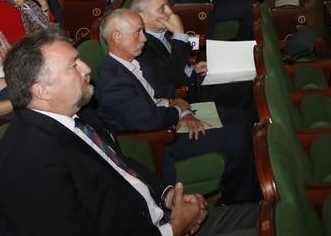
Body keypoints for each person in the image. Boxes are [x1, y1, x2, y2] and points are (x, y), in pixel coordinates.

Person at [0, 29, 259, 236]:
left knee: (273, 215)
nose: (87, 69)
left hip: (152, 224)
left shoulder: (76, 118)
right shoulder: (27, 164)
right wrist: (173, 230)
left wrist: (166, 197)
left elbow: (123, 166)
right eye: (74, 65)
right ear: (42, 90)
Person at [93, 11, 258, 204]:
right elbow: (149, 119)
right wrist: (179, 111)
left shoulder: (132, 62)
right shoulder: (113, 79)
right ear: (116, 37)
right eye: (138, 32)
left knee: (237, 116)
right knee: (236, 136)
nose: (144, 38)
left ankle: (245, 188)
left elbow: (165, 88)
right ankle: (242, 202)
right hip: (161, 139)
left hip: (171, 116)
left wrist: (184, 110)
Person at [129, 0, 255, 118]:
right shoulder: (142, 46)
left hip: (195, 78)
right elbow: (170, 81)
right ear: (142, 17)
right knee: (249, 84)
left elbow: (172, 61)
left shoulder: (159, 31)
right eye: (162, 9)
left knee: (245, 72)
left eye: (168, 5)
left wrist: (192, 69)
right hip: (189, 95)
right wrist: (179, 35)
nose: (170, 12)